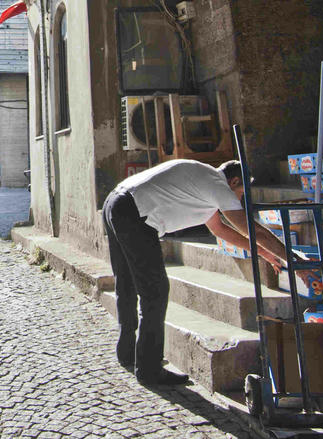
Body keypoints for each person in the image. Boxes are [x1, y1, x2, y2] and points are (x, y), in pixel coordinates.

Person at [102, 158, 307, 386]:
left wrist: (264, 253)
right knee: (155, 292)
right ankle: (149, 369)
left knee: (126, 282)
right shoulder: (217, 186)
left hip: (115, 203)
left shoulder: (204, 182)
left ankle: (127, 352)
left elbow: (219, 229)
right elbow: (255, 232)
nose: (239, 200)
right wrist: (294, 261)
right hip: (134, 214)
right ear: (234, 181)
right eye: (240, 193)